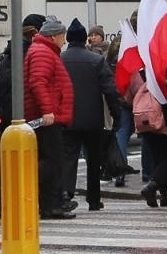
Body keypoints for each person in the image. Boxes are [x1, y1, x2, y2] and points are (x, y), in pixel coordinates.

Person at [62, 18, 123, 212]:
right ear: (84, 39)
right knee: (93, 159)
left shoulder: (60, 59)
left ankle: (66, 193)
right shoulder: (96, 60)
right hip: (92, 119)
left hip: (68, 117)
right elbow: (110, 90)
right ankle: (94, 199)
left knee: (69, 157)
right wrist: (116, 115)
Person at [27, 17, 76, 220]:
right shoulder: (43, 52)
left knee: (52, 161)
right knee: (51, 161)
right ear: (54, 35)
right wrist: (48, 111)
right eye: (63, 37)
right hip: (47, 118)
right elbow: (38, 82)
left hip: (49, 116)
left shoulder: (43, 51)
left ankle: (51, 204)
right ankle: (50, 205)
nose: (64, 41)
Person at [129, 69, 167, 208]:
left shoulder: (136, 73)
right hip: (163, 120)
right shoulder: (162, 69)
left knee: (157, 159)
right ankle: (152, 186)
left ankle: (166, 196)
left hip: (144, 120)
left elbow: (129, 95)